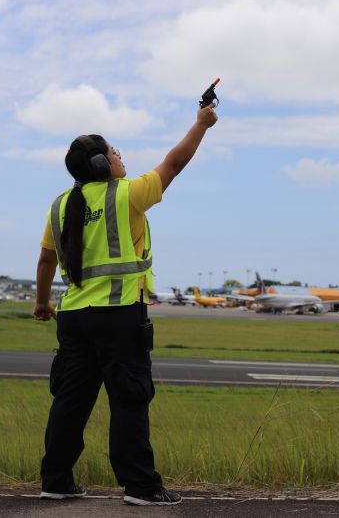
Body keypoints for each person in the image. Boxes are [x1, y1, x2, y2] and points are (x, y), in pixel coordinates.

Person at [33, 104, 218, 506]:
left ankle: (56, 479)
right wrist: (201, 125)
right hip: (118, 315)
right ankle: (141, 486)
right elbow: (174, 163)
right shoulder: (128, 194)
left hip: (74, 317)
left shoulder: (59, 205)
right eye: (115, 151)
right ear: (102, 163)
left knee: (70, 400)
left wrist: (42, 301)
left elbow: (47, 259)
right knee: (129, 399)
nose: (121, 157)